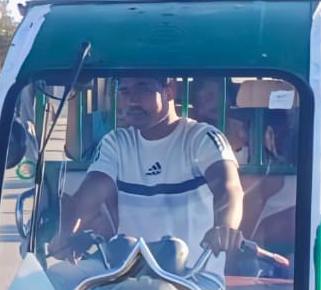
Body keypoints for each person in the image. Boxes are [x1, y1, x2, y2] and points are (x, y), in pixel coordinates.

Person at [48, 76, 244, 279]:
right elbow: (89, 195)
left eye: (143, 88)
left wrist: (226, 227)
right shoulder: (115, 143)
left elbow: (229, 189)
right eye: (124, 91)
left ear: (170, 91)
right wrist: (66, 234)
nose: (132, 100)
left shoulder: (202, 138)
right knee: (50, 281)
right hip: (126, 274)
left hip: (194, 278)